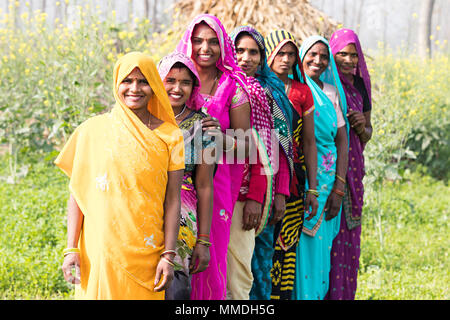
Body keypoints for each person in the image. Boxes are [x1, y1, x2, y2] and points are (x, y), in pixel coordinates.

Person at [56, 52, 185, 299]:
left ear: (154, 86)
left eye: (143, 81)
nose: (134, 88)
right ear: (117, 83)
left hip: (148, 251)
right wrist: (71, 249)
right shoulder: (92, 131)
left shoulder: (171, 135)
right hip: (101, 249)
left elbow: (172, 200)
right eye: (127, 80)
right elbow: (78, 193)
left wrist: (168, 255)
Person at [176, 14, 251, 300]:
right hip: (173, 182)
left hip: (216, 185)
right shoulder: (176, 78)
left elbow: (246, 147)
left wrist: (219, 136)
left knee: (207, 255)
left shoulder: (233, 87)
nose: (204, 48)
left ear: (223, 45)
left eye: (212, 41)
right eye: (198, 40)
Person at [292, 36, 349, 300]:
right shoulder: (291, 89)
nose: (318, 60)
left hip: (326, 183)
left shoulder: (331, 92)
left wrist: (339, 186)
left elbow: (342, 139)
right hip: (297, 179)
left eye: (323, 56)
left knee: (320, 247)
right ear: (301, 56)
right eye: (312, 54)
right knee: (296, 248)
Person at [264, 29, 319, 300]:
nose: (285, 59)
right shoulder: (258, 87)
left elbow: (309, 142)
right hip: (262, 175)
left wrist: (313, 188)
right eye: (280, 53)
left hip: (295, 178)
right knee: (262, 243)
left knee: (286, 244)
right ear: (269, 55)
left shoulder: (301, 92)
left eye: (291, 55)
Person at [158, 51, 216, 300]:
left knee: (175, 288)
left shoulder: (204, 126)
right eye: (170, 80)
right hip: (143, 207)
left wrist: (203, 240)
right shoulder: (141, 120)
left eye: (185, 82)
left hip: (183, 214)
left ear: (194, 86)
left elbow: (204, 186)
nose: (177, 88)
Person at [226, 25, 276, 300]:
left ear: (262, 57)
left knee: (239, 275)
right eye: (239, 50)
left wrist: (256, 196)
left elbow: (264, 151)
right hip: (209, 190)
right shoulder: (217, 86)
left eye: (253, 52)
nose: (246, 57)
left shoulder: (259, 94)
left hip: (244, 195)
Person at [326, 28, 373, 300]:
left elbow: (368, 132)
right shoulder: (323, 85)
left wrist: (360, 126)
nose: (348, 60)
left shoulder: (360, 88)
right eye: (341, 53)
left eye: (353, 55)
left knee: (347, 246)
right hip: (326, 173)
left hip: (353, 175)